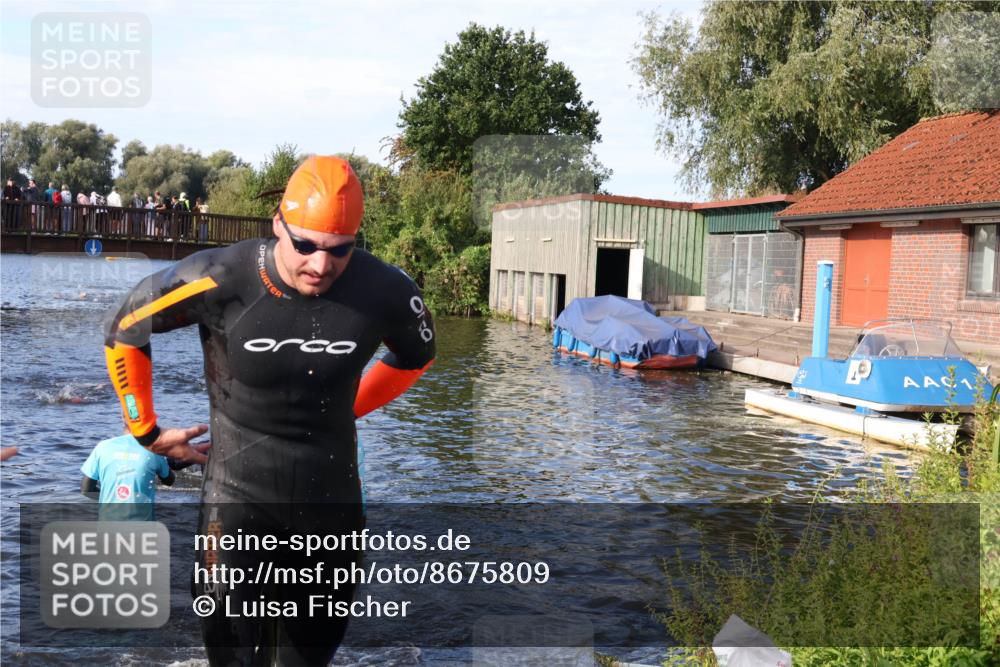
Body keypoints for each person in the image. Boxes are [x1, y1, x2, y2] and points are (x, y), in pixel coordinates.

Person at [103, 155, 435, 664]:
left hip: (331, 509)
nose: (320, 265)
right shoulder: (220, 277)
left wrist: (351, 408)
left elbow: (417, 356)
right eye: (304, 245)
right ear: (278, 224)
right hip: (236, 501)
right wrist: (145, 431)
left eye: (339, 251)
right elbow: (124, 327)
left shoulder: (385, 291)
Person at [79, 432, 195, 521]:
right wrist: (163, 463)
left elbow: (86, 489)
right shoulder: (154, 451)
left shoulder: (103, 447)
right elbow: (169, 481)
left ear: (123, 418)